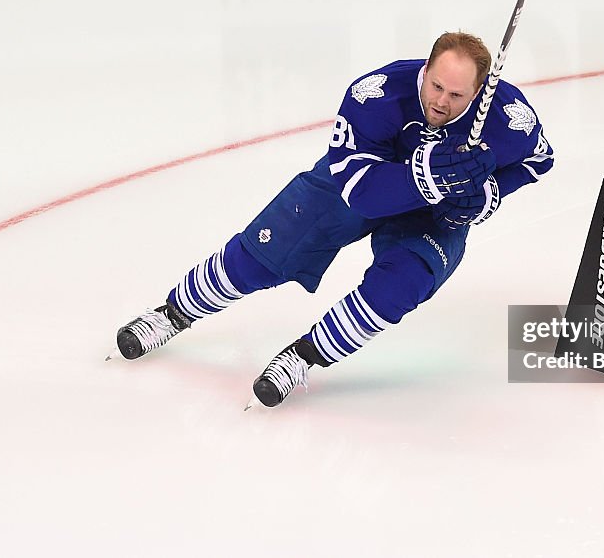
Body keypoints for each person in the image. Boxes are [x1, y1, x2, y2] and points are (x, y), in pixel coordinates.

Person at [116, 31, 554, 407]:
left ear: (477, 92)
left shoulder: (507, 118)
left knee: (403, 284)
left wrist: (485, 196)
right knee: (262, 254)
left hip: (434, 212)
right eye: (436, 86)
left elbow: (539, 161)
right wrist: (432, 174)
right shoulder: (376, 94)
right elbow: (362, 193)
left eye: (456, 95)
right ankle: (171, 314)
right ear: (426, 70)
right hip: (362, 184)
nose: (441, 101)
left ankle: (302, 357)